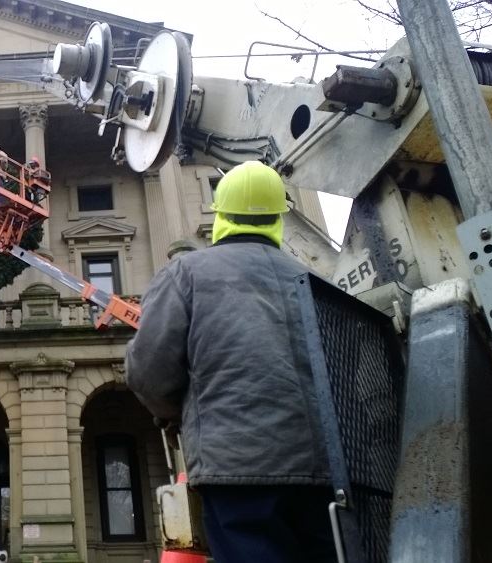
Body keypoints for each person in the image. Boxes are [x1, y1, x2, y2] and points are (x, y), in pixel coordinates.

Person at [125, 161, 336, 563]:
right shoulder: (318, 282)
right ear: (279, 217)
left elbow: (147, 373)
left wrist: (179, 413)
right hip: (325, 472)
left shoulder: (185, 273)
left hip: (234, 469)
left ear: (219, 212)